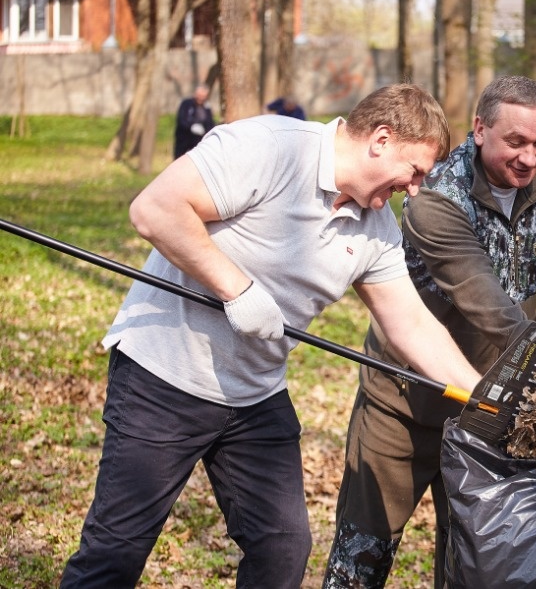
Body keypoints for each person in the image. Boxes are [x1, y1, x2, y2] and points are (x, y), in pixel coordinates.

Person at [59, 84, 484, 589]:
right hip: (165, 378)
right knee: (114, 552)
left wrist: (482, 395)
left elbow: (410, 325)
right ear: (381, 140)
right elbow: (154, 209)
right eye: (413, 172)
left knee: (282, 545)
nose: (414, 189)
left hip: (254, 395)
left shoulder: (376, 228)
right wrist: (237, 289)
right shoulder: (269, 147)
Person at [323, 75, 536, 589]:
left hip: (494, 418)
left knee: (476, 563)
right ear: (479, 129)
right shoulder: (434, 195)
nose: (529, 157)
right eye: (515, 142)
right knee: (361, 559)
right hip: (403, 406)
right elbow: (486, 303)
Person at [173, 84, 216, 159]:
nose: (201, 98)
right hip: (184, 139)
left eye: (203, 96)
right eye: (199, 95)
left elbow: (209, 122)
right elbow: (181, 119)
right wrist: (191, 127)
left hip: (198, 140)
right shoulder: (186, 104)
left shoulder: (206, 107)